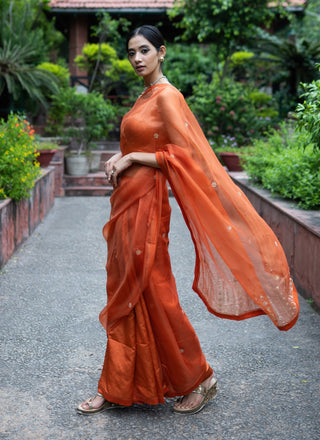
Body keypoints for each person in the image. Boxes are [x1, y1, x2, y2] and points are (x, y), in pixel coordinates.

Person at [77, 25, 299, 416]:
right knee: (127, 293)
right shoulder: (145, 95)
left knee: (155, 293)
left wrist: (132, 159)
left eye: (144, 50)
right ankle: (117, 384)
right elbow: (146, 142)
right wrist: (119, 155)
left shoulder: (168, 96)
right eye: (131, 53)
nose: (136, 59)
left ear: (162, 52)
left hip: (148, 207)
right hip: (127, 204)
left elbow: (185, 157)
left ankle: (201, 378)